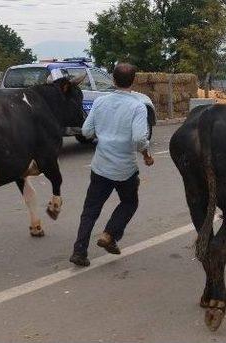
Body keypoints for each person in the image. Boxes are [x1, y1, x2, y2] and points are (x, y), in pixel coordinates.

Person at [69, 63, 154, 267]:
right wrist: (146, 155)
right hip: (125, 168)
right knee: (129, 202)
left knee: (90, 209)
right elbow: (139, 139)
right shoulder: (137, 106)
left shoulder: (100, 102)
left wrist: (105, 134)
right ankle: (109, 234)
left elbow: (87, 132)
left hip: (101, 165)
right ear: (133, 81)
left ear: (113, 80)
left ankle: (79, 251)